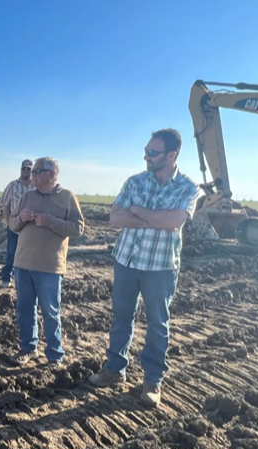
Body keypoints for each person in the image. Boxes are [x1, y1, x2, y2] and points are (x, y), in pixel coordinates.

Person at [89, 128, 200, 408]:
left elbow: (175, 220)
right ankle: (114, 369)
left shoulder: (188, 187)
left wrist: (137, 211)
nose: (146, 157)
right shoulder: (135, 181)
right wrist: (156, 219)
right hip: (126, 260)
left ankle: (152, 381)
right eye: (146, 151)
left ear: (171, 155)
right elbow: (115, 216)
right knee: (121, 317)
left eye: (152, 153)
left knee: (157, 324)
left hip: (160, 267)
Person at [9, 157, 84, 365]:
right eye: (31, 172)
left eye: (36, 171)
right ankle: (28, 348)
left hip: (50, 266)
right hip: (22, 264)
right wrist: (21, 218)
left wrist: (50, 221)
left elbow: (78, 228)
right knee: (24, 309)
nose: (31, 175)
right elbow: (13, 225)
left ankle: (54, 355)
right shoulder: (28, 196)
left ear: (51, 174)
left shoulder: (67, 197)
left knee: (50, 312)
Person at [0, 159, 34, 288]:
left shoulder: (36, 186)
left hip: (31, 228)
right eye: (23, 169)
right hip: (14, 226)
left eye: (28, 169)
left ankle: (27, 281)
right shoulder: (12, 185)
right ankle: (6, 279)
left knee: (30, 254)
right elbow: (6, 205)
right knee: (11, 252)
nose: (26, 171)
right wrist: (9, 223)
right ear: (20, 170)